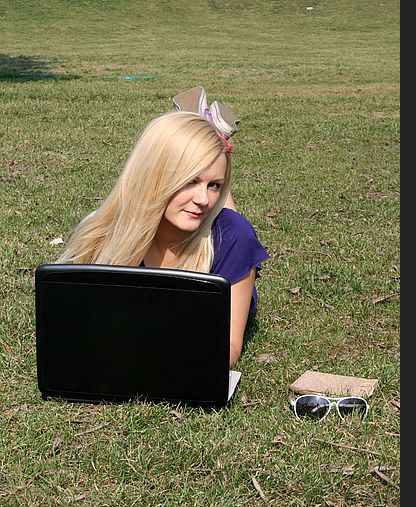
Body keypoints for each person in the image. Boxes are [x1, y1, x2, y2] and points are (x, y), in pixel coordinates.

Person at [58, 110, 269, 367]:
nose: (203, 198)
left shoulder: (235, 239)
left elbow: (229, 350)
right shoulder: (102, 233)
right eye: (190, 181)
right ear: (154, 176)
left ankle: (212, 133)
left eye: (214, 185)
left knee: (226, 220)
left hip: (215, 247)